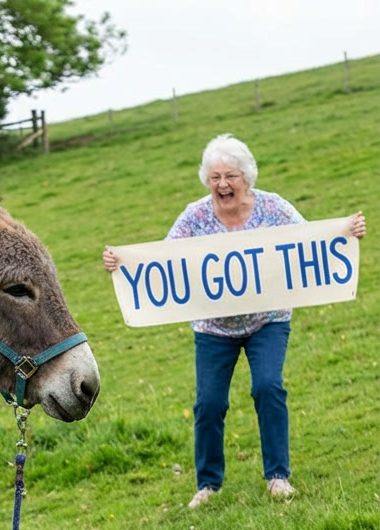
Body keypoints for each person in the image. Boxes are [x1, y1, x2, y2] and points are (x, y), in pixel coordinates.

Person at [103, 133, 367, 509]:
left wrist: (347, 232)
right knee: (208, 404)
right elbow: (162, 258)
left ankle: (278, 477)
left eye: (230, 176)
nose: (222, 185)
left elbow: (312, 239)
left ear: (247, 177)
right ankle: (208, 484)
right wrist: (121, 263)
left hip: (268, 321)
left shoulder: (272, 208)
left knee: (268, 388)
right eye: (214, 177)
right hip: (214, 330)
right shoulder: (195, 216)